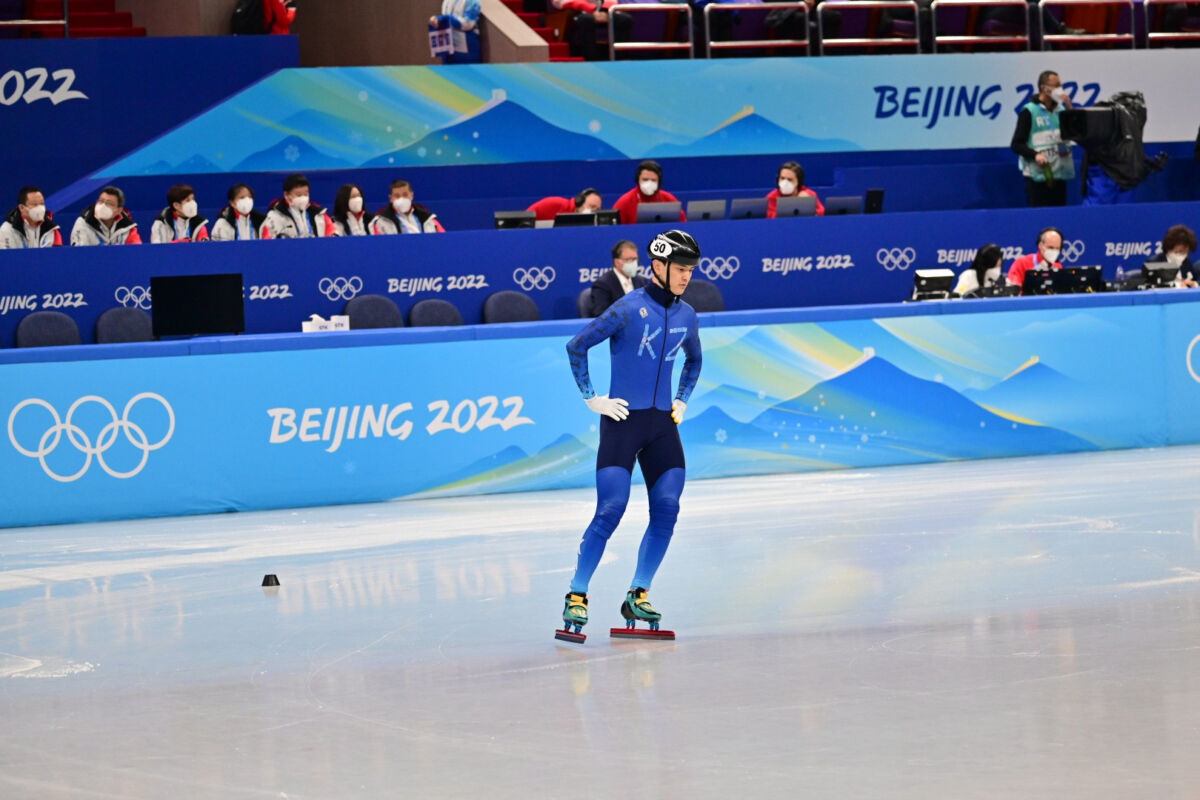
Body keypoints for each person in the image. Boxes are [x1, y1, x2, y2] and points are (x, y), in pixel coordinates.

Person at [559, 229, 703, 640]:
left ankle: (638, 592)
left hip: (662, 426)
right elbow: (576, 346)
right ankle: (577, 594)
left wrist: (683, 400)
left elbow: (694, 362)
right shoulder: (626, 308)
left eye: (690, 271)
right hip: (622, 422)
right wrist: (592, 399)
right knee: (611, 510)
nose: (685, 277)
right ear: (658, 266)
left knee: (668, 509)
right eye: (680, 269)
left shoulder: (688, 315)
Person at [1011, 70, 1075, 207]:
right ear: (1044, 88)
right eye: (1056, 85)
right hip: (1037, 176)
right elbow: (1016, 144)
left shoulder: (1061, 111)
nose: (1060, 89)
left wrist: (1070, 110)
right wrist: (1035, 155)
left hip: (1058, 174)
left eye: (1060, 85)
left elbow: (1075, 134)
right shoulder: (1029, 111)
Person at [552, 0, 633, 61]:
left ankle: (618, 59)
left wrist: (606, 11)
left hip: (599, 12)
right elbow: (558, 2)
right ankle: (591, 60)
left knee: (624, 19)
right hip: (575, 11)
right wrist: (591, 10)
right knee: (586, 20)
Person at [613, 161, 687, 225]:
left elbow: (683, 224)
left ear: (659, 182)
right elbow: (615, 230)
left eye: (653, 180)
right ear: (637, 180)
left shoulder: (669, 199)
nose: (649, 183)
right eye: (645, 180)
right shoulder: (624, 202)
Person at [265, 174, 336, 239]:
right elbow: (268, 241)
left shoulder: (319, 214)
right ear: (286, 195)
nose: (303, 198)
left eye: (306, 194)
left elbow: (333, 235)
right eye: (299, 195)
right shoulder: (274, 216)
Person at [588, 239, 647, 316]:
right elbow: (602, 315)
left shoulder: (641, 281)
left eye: (635, 259)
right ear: (617, 262)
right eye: (629, 260)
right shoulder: (603, 284)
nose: (634, 263)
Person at [70, 186, 141, 246]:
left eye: (109, 203)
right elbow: (79, 255)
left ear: (119, 210)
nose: (103, 206)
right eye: (101, 201)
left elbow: (136, 253)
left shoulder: (128, 227)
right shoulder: (83, 223)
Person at [371, 179, 444, 235]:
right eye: (397, 196)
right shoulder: (381, 222)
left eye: (405, 195)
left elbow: (442, 239)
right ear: (390, 198)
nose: (401, 198)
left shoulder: (428, 219)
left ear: (412, 195)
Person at [527, 188, 602, 222]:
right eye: (592, 206)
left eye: (597, 210)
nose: (593, 211)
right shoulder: (555, 203)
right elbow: (525, 217)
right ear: (579, 201)